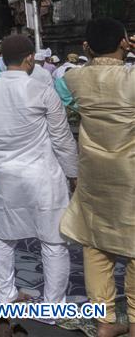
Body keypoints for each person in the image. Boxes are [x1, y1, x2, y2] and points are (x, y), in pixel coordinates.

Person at [0, 34, 78, 306]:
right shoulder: (42, 91)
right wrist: (74, 174)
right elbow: (62, 138)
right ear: (30, 58)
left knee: (3, 237)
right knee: (53, 242)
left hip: (5, 176)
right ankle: (54, 304)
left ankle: (6, 296)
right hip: (44, 177)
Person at [59, 18, 135, 336]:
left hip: (93, 174)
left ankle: (105, 322)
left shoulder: (74, 78)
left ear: (87, 47)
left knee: (95, 246)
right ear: (124, 42)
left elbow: (63, 97)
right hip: (130, 174)